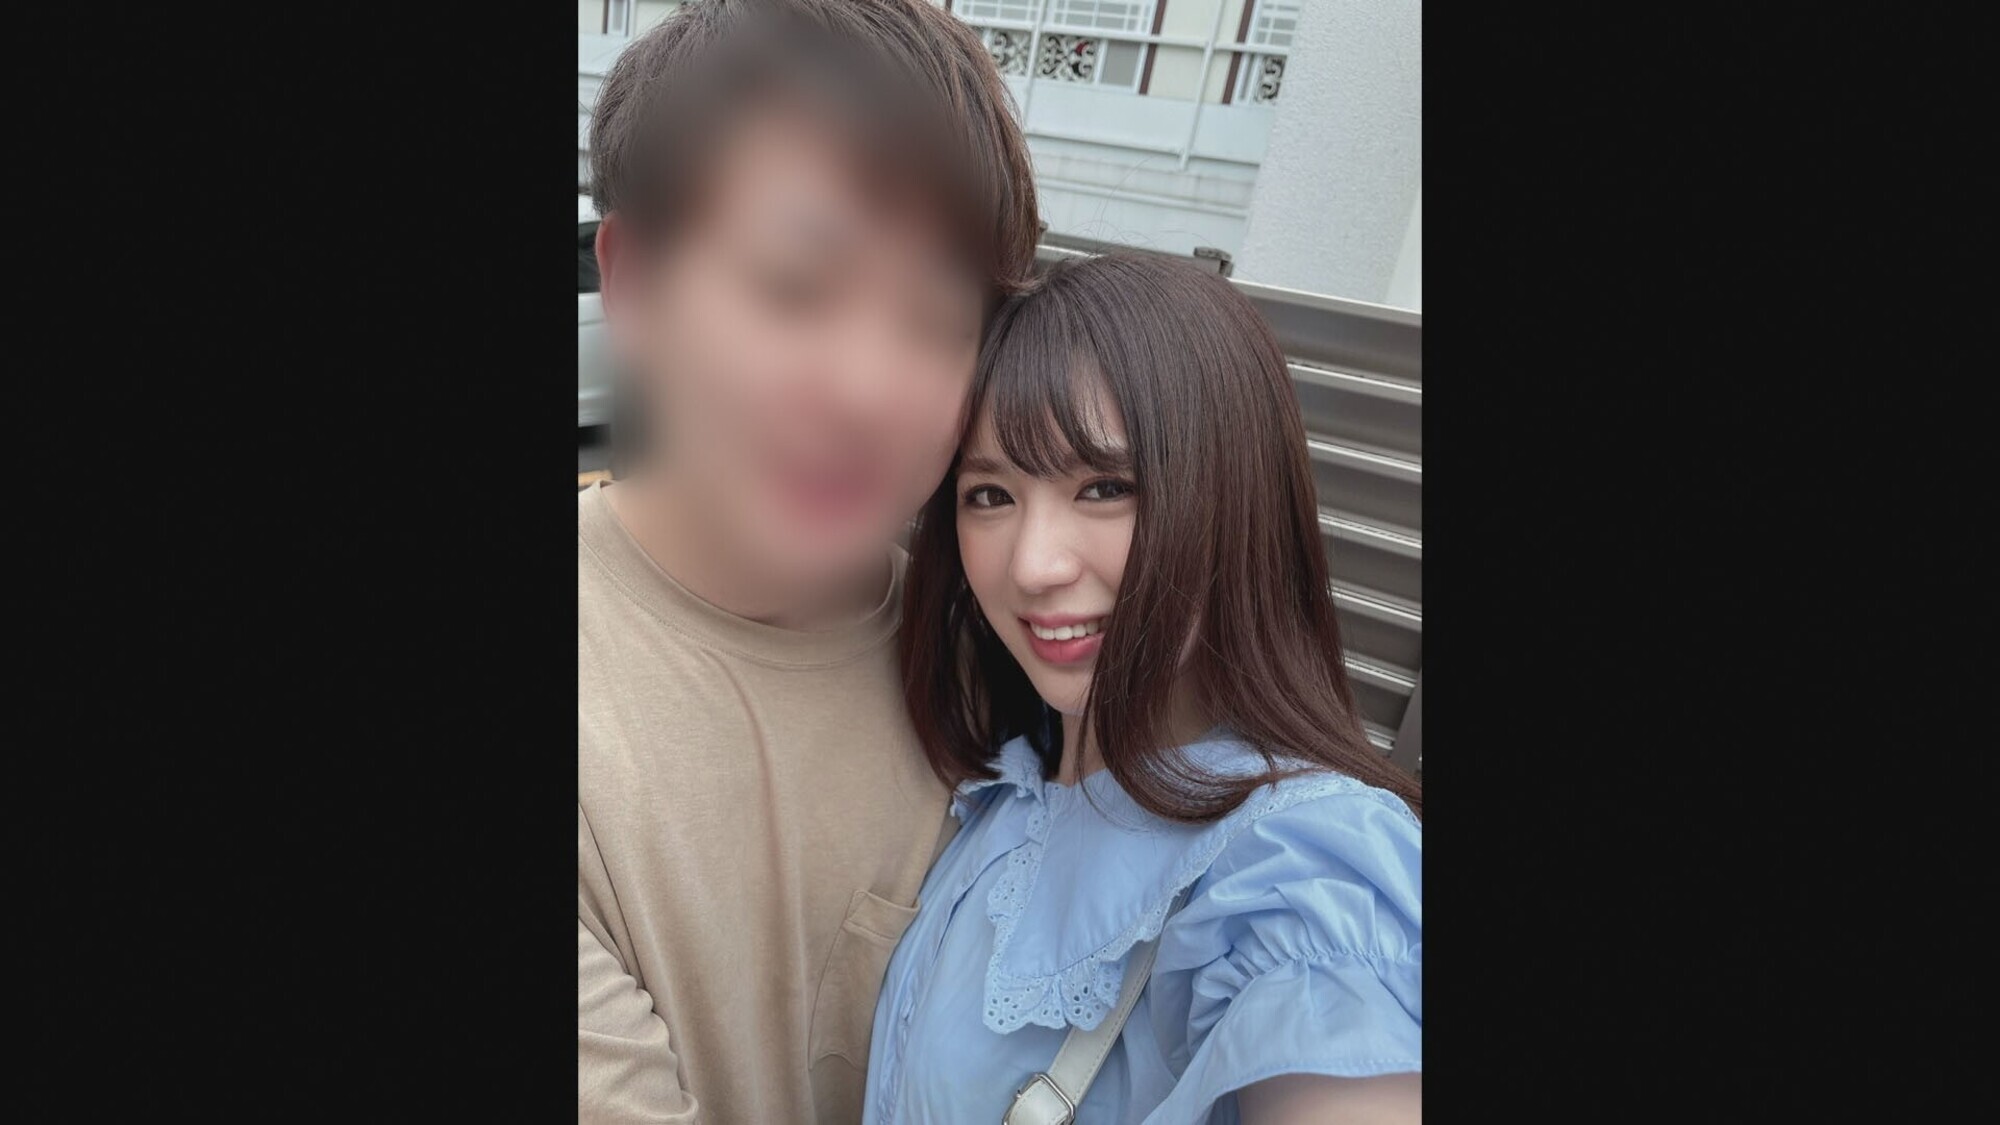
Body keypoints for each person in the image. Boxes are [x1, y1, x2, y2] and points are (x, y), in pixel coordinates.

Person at [576, 2, 1038, 1121]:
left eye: (937, 317)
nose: (867, 389)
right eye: (794, 286)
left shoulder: (1016, 648)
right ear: (632, 286)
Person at [869, 253, 1424, 1123]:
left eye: (1105, 487)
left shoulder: (1299, 865)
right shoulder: (1009, 778)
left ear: (1234, 498)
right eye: (990, 494)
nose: (1033, 565)